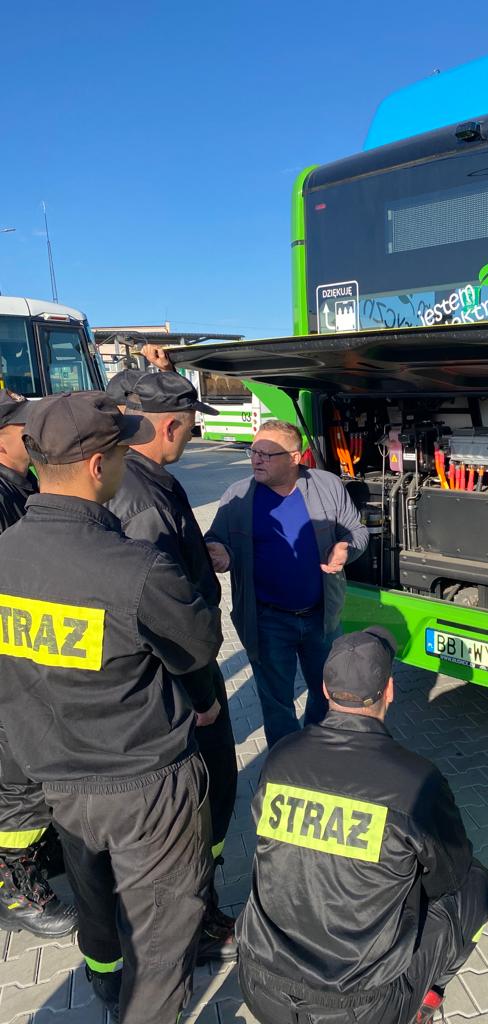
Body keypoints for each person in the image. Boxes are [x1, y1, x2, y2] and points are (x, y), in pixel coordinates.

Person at [0, 391, 222, 1024]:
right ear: (99, 466)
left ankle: (103, 984)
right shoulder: (135, 567)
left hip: (57, 779)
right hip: (144, 782)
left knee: (96, 898)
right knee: (164, 937)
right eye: (124, 449)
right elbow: (198, 646)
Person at [237, 627, 488, 1024]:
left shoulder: (280, 757)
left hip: (260, 985)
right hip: (362, 1009)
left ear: (324, 690)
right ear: (389, 691)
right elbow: (449, 878)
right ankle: (425, 1000)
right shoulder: (416, 782)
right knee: (478, 886)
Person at [107, 371, 238, 962]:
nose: (192, 435)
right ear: (169, 426)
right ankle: (197, 918)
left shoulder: (143, 479)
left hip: (178, 674)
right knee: (209, 794)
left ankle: (197, 902)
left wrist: (199, 554)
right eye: (190, 426)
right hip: (183, 680)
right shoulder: (144, 499)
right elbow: (161, 612)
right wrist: (201, 694)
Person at [206, 419, 369, 748]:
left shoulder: (327, 485)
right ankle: (284, 762)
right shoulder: (238, 496)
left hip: (322, 618)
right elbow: (216, 538)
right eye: (254, 451)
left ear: (295, 457)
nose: (256, 459)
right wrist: (219, 551)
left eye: (266, 454)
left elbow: (357, 530)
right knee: (277, 703)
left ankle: (317, 752)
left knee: (327, 693)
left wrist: (346, 548)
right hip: (267, 621)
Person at [0, 390, 76, 937]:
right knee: (15, 779)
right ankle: (13, 888)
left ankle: (37, 855)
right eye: (23, 429)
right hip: (11, 665)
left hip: (33, 658)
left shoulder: (22, 486)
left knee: (35, 769)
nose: (33, 437)